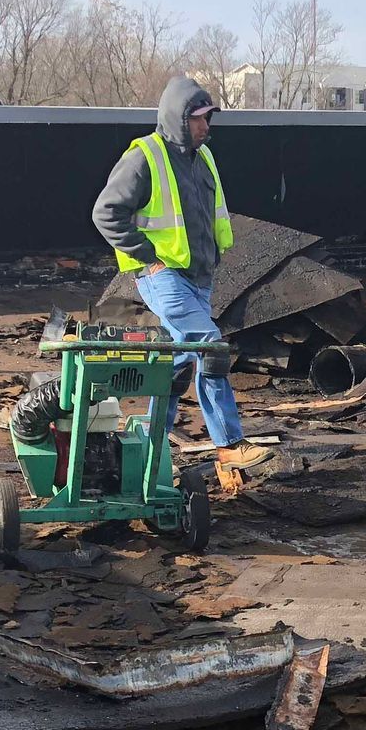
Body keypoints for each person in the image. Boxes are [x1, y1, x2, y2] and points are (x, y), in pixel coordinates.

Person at [92, 74, 268, 472]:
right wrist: (147, 257)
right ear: (178, 118)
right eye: (199, 119)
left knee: (176, 364)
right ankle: (229, 445)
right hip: (163, 275)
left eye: (209, 118)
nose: (206, 127)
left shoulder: (203, 157)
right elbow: (106, 213)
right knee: (209, 346)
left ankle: (150, 455)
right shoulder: (145, 156)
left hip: (199, 276)